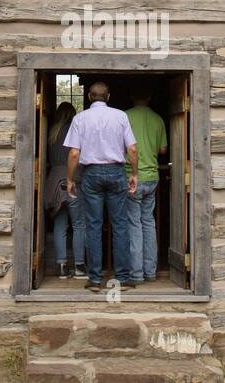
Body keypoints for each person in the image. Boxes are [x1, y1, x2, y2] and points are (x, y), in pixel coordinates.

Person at [64, 82, 138, 291]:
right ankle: (122, 278)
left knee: (94, 226)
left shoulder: (80, 118)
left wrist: (69, 179)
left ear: (89, 96)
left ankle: (95, 280)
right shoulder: (120, 116)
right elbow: (132, 149)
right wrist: (134, 174)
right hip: (116, 172)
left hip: (91, 174)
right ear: (108, 96)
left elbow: (74, 153)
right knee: (120, 225)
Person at [125, 87, 167, 284]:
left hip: (132, 177)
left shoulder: (125, 116)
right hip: (152, 177)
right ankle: (151, 271)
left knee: (134, 224)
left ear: (132, 97)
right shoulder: (158, 119)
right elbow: (163, 148)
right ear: (149, 97)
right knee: (148, 223)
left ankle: (136, 273)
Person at [45, 101, 85, 279]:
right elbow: (76, 155)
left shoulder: (51, 131)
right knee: (78, 225)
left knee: (60, 225)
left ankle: (61, 266)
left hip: (54, 181)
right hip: (74, 178)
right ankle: (79, 267)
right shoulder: (76, 130)